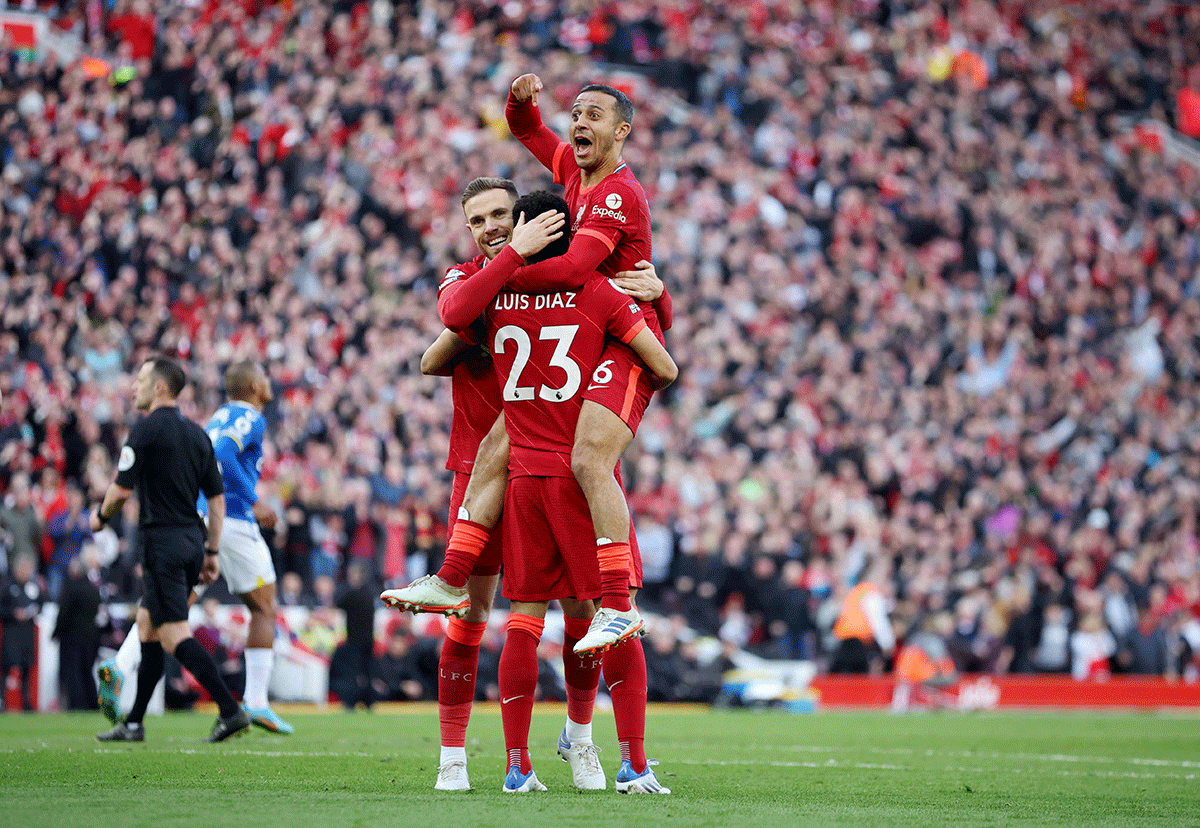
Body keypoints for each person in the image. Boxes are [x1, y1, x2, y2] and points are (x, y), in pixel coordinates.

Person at [394, 75, 674, 793]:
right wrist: (522, 105)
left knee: (566, 556)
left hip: (563, 429)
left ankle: (583, 739)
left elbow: (584, 276)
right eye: (481, 219)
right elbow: (438, 345)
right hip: (510, 459)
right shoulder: (493, 267)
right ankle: (462, 756)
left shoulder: (606, 203)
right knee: (498, 609)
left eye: (502, 216)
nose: (492, 228)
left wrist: (523, 271)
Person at [483, 190, 676, 792]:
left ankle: (519, 765)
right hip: (580, 483)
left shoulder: (496, 293)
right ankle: (633, 763)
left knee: (524, 619)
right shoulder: (597, 292)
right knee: (613, 615)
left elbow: (438, 349)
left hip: (522, 480)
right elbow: (664, 365)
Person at [97, 361, 293, 733]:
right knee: (264, 606)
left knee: (170, 608)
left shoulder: (219, 414)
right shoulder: (251, 417)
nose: (269, 384)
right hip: (232, 521)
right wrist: (253, 500)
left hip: (199, 521)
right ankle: (254, 702)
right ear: (254, 385)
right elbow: (223, 452)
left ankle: (121, 667)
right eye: (266, 377)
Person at [53, 547, 103, 710]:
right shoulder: (93, 590)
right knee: (87, 671)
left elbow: (64, 614)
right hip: (92, 637)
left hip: (72, 638)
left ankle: (77, 704)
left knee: (73, 672)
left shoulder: (72, 589)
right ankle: (92, 703)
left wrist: (56, 633)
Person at [0, 554, 43, 711]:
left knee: (26, 668)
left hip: (27, 634)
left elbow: (41, 603)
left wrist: (35, 610)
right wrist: (13, 613)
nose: (27, 572)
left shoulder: (33, 587)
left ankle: (26, 702)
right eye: (24, 568)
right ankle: (2, 701)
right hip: (11, 633)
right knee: (7, 667)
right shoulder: (7, 586)